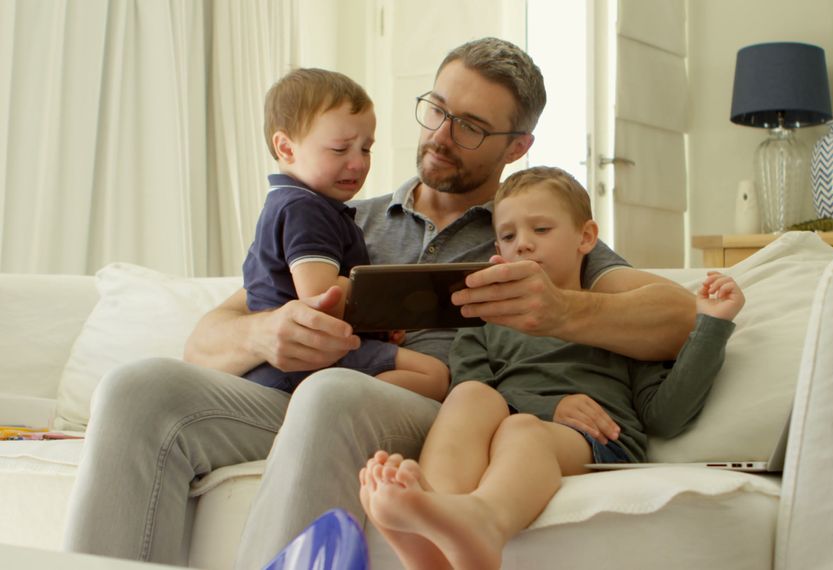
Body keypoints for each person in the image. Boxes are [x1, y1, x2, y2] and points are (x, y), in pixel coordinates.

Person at [62, 37, 696, 568]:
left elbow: (676, 318)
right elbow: (207, 339)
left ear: (516, 146)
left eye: (471, 127)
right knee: (137, 389)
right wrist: (266, 334)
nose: (442, 135)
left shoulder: (529, 234)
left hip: (435, 415)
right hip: (294, 390)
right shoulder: (338, 214)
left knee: (332, 391)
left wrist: (560, 311)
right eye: (437, 109)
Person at [358, 166, 744, 570]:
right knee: (472, 394)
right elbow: (470, 394)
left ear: (586, 237)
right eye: (508, 236)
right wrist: (546, 408)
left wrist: (712, 325)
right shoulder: (483, 324)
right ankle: (438, 521)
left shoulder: (617, 320)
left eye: (541, 230)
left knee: (519, 428)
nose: (523, 244)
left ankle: (485, 522)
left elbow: (665, 416)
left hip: (597, 441)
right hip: (510, 426)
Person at [241, 68, 446, 399]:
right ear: (287, 148)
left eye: (366, 149)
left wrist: (376, 327)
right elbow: (321, 294)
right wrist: (390, 305)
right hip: (311, 360)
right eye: (340, 149)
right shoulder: (305, 209)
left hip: (290, 363)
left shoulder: (292, 203)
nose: (358, 164)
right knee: (433, 375)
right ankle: (336, 401)